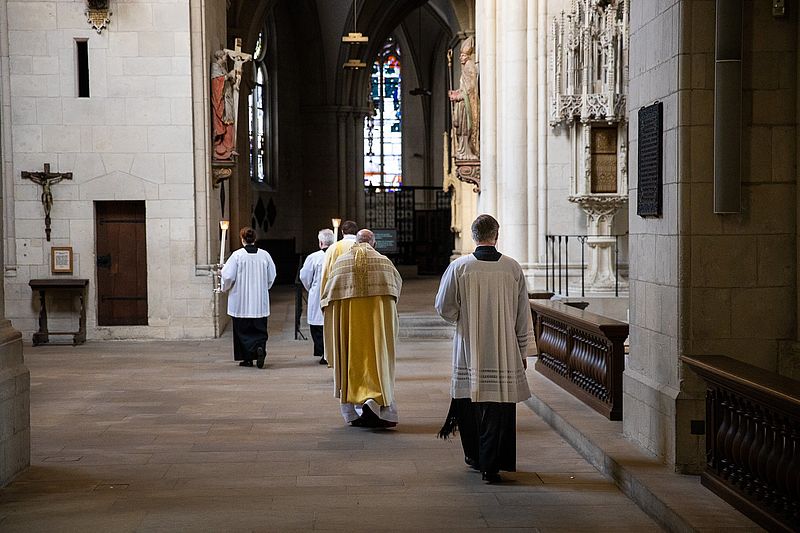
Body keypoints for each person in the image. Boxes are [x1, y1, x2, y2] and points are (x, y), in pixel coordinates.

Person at [434, 214, 531, 483]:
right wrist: (522, 350)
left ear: (473, 236)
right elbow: (523, 313)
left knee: (469, 402)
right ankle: (493, 463)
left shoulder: (460, 266)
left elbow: (443, 306)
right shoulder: (512, 268)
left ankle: (476, 457)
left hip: (469, 345)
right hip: (503, 348)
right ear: (496, 236)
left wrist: (461, 317)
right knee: (499, 405)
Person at [320, 229, 402, 428]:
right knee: (377, 360)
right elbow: (396, 290)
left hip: (350, 328)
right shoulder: (384, 262)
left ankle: (351, 409)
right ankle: (377, 403)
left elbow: (327, 297)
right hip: (377, 326)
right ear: (374, 243)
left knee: (351, 359)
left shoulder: (341, 262)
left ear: (356, 242)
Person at [220, 227, 277, 368]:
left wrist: (224, 286)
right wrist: (264, 288)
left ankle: (247, 358)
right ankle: (259, 349)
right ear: (255, 239)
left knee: (242, 331)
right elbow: (272, 276)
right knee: (259, 329)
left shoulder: (237, 256)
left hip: (241, 302)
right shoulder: (265, 255)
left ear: (242, 239)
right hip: (259, 301)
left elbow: (227, 276)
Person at [299, 228, 335, 365]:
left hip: (318, 293)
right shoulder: (338, 255)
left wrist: (311, 288)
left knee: (318, 326)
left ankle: (323, 352)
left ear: (321, 243)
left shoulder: (314, 257)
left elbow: (305, 276)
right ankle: (330, 352)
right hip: (333, 293)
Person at [449, 36, 479, 161]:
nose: (460, 57)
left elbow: (471, 88)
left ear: (468, 56)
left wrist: (458, 96)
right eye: (460, 55)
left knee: (465, 128)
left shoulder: (469, 66)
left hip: (466, 105)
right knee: (460, 129)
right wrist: (456, 92)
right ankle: (463, 151)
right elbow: (464, 87)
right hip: (462, 104)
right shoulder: (465, 67)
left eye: (462, 55)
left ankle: (466, 151)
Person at [319, 219, 358, 296]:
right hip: (358, 291)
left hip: (338, 292)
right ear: (357, 232)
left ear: (342, 232)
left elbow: (326, 272)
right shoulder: (364, 246)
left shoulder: (333, 248)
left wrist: (323, 296)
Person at [211, 50, 236, 161]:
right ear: (220, 57)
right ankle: (222, 147)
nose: (226, 59)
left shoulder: (222, 68)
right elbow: (216, 82)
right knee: (224, 122)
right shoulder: (215, 67)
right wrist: (227, 76)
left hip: (227, 99)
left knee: (230, 121)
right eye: (225, 57)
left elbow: (226, 80)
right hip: (221, 100)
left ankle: (229, 147)